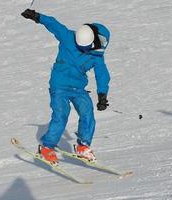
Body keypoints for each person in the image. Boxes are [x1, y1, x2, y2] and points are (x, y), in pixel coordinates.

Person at [21, 9, 110, 164]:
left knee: (87, 113)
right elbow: (54, 24)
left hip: (78, 89)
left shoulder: (96, 55)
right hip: (59, 86)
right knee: (61, 115)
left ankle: (83, 146)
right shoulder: (68, 37)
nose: (83, 50)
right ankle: (47, 147)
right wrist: (37, 16)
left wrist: (102, 95)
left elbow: (102, 75)